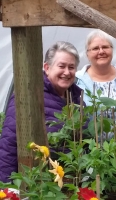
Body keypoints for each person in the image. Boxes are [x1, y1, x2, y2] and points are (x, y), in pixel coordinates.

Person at [0, 41, 84, 183]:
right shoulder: (28, 96)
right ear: (47, 67)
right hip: (38, 181)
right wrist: (6, 187)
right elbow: (9, 143)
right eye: (61, 66)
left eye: (71, 67)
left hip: (68, 181)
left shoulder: (76, 99)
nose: (67, 72)